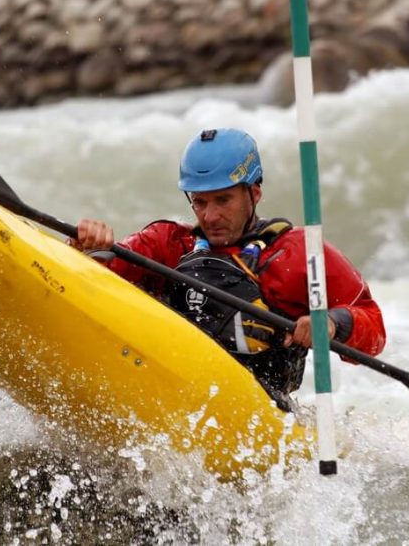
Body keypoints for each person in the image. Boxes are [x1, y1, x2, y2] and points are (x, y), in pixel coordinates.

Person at [69, 128, 386, 409]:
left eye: (223, 200)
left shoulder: (299, 253)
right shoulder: (167, 243)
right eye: (200, 202)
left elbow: (374, 330)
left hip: (259, 411)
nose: (210, 216)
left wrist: (331, 322)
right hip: (165, 389)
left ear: (255, 193)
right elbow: (88, 281)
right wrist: (85, 247)